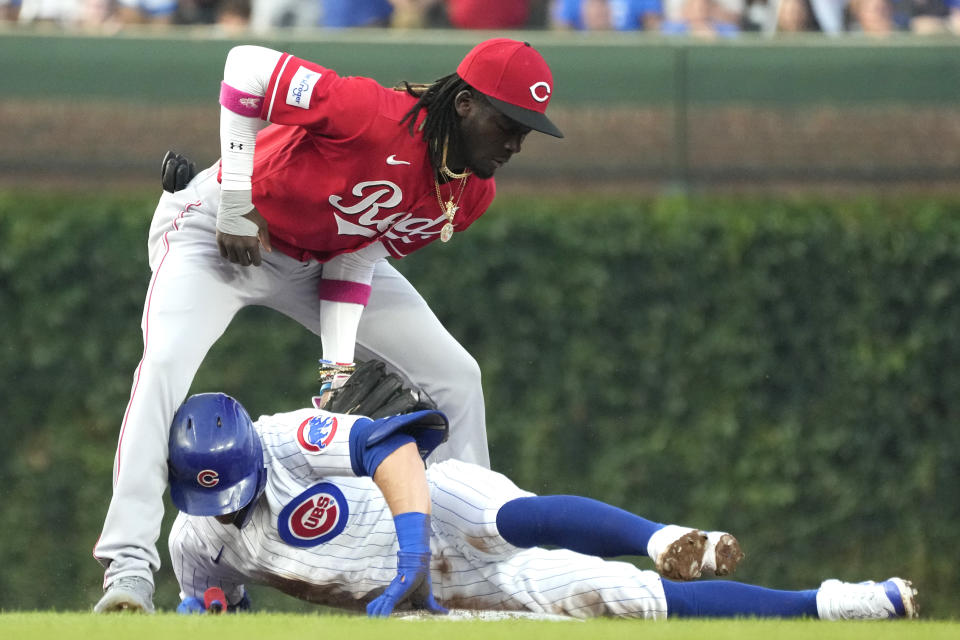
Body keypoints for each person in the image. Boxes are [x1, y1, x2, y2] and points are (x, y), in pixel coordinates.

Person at [92, 38, 564, 614]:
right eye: (508, 121)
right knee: (164, 364)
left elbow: (355, 255)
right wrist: (237, 200)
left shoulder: (467, 195)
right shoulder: (369, 113)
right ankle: (129, 567)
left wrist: (336, 367)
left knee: (456, 377)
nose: (517, 141)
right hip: (221, 233)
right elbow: (244, 68)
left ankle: (473, 567)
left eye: (527, 129)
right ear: (465, 103)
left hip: (318, 258)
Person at [165, 391, 917, 620]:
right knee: (627, 601)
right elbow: (223, 606)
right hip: (435, 596)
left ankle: (659, 536)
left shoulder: (284, 437)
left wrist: (408, 553)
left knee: (508, 515)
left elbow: (392, 451)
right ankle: (830, 606)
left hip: (423, 514)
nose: (229, 511)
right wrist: (209, 614)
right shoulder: (195, 539)